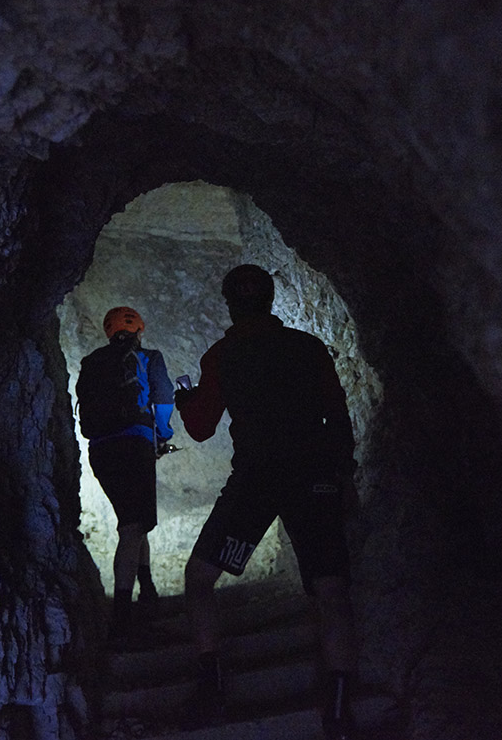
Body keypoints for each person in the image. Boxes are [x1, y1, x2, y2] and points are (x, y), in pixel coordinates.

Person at [174, 265, 359, 739]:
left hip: (256, 484)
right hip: (313, 478)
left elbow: (199, 427)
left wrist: (185, 400)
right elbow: (336, 415)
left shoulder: (223, 355)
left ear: (230, 303)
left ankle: (211, 682)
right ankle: (338, 705)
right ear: (272, 300)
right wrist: (342, 477)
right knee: (330, 584)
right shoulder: (308, 348)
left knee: (200, 578)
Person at [76, 306, 175, 650]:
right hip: (135, 445)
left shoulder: (92, 361)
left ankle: (146, 588)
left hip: (101, 451)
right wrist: (162, 435)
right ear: (139, 329)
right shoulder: (149, 357)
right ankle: (122, 615)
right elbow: (163, 399)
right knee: (133, 527)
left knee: (133, 518)